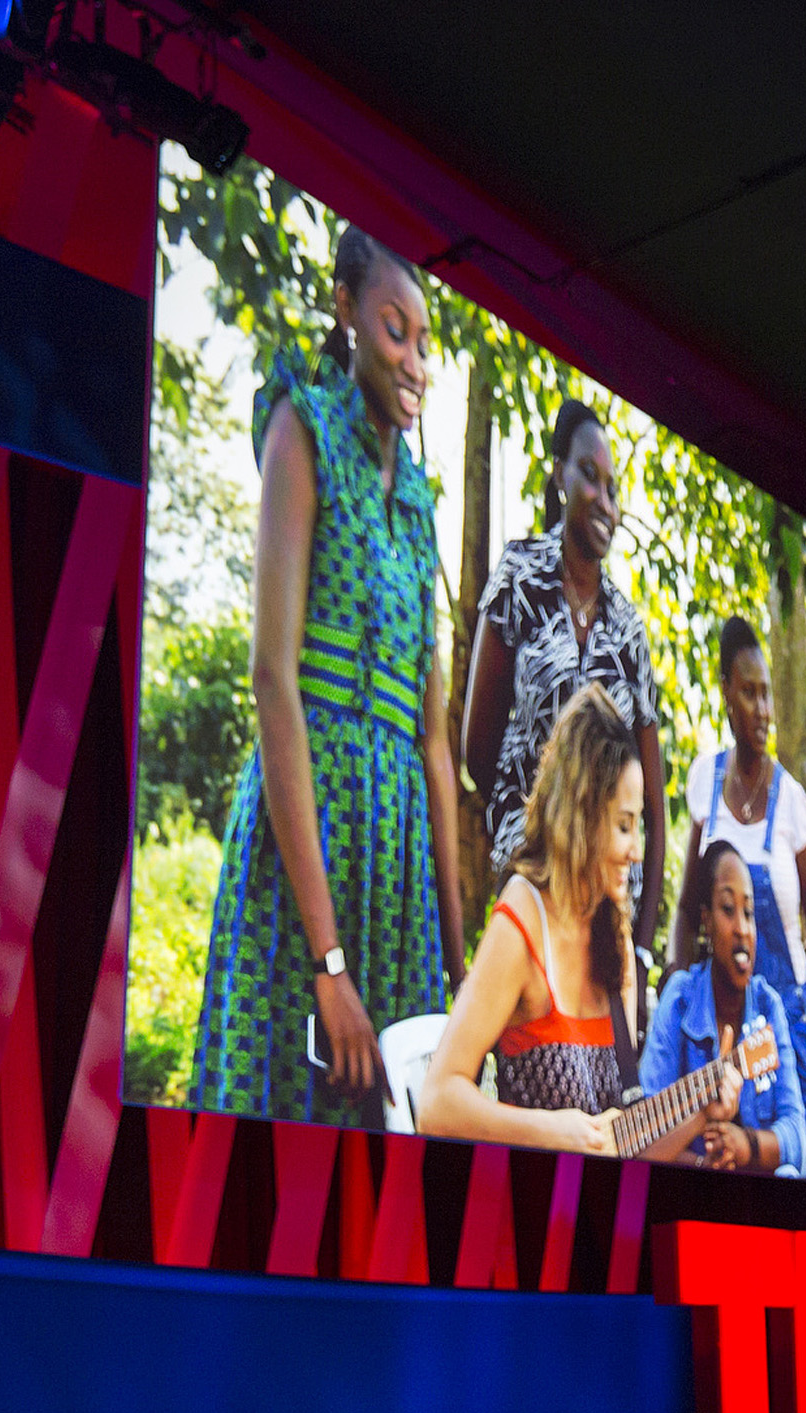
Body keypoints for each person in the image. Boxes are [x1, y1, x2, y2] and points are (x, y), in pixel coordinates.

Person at [190, 226, 466, 1126]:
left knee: (386, 1161)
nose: (416, 361)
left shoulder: (422, 509)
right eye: (396, 331)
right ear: (346, 311)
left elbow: (432, 744)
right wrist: (329, 960)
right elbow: (274, 681)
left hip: (399, 877)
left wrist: (461, 969)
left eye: (426, 342)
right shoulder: (299, 429)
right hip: (304, 843)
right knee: (277, 1128)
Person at [417, 685, 700, 1160]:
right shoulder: (523, 919)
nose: (636, 849)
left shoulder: (616, 940)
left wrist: (701, 1113)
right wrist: (553, 1133)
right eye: (624, 826)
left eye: (639, 827)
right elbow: (436, 1103)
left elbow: (621, 1140)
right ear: (585, 816)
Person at [463, 398, 666, 953]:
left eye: (613, 488)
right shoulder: (519, 578)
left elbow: (651, 801)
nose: (604, 500)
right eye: (589, 476)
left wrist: (642, 948)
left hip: (607, 907)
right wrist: (535, 829)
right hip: (530, 880)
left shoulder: (628, 628)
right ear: (559, 475)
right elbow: (478, 753)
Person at [673, 617, 806, 1176]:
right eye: (749, 692)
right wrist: (681, 987)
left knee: (792, 1178)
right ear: (726, 694)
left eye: (768, 693)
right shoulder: (703, 783)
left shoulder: (792, 803)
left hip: (779, 1036)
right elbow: (687, 908)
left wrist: (777, 1009)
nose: (763, 708)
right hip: (713, 1044)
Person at [641, 839, 806, 1174]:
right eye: (728, 909)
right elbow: (645, 1133)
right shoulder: (680, 1000)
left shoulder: (768, 1007)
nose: (743, 929)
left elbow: (798, 1139)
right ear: (706, 920)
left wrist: (746, 1146)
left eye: (748, 913)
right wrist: (708, 1162)